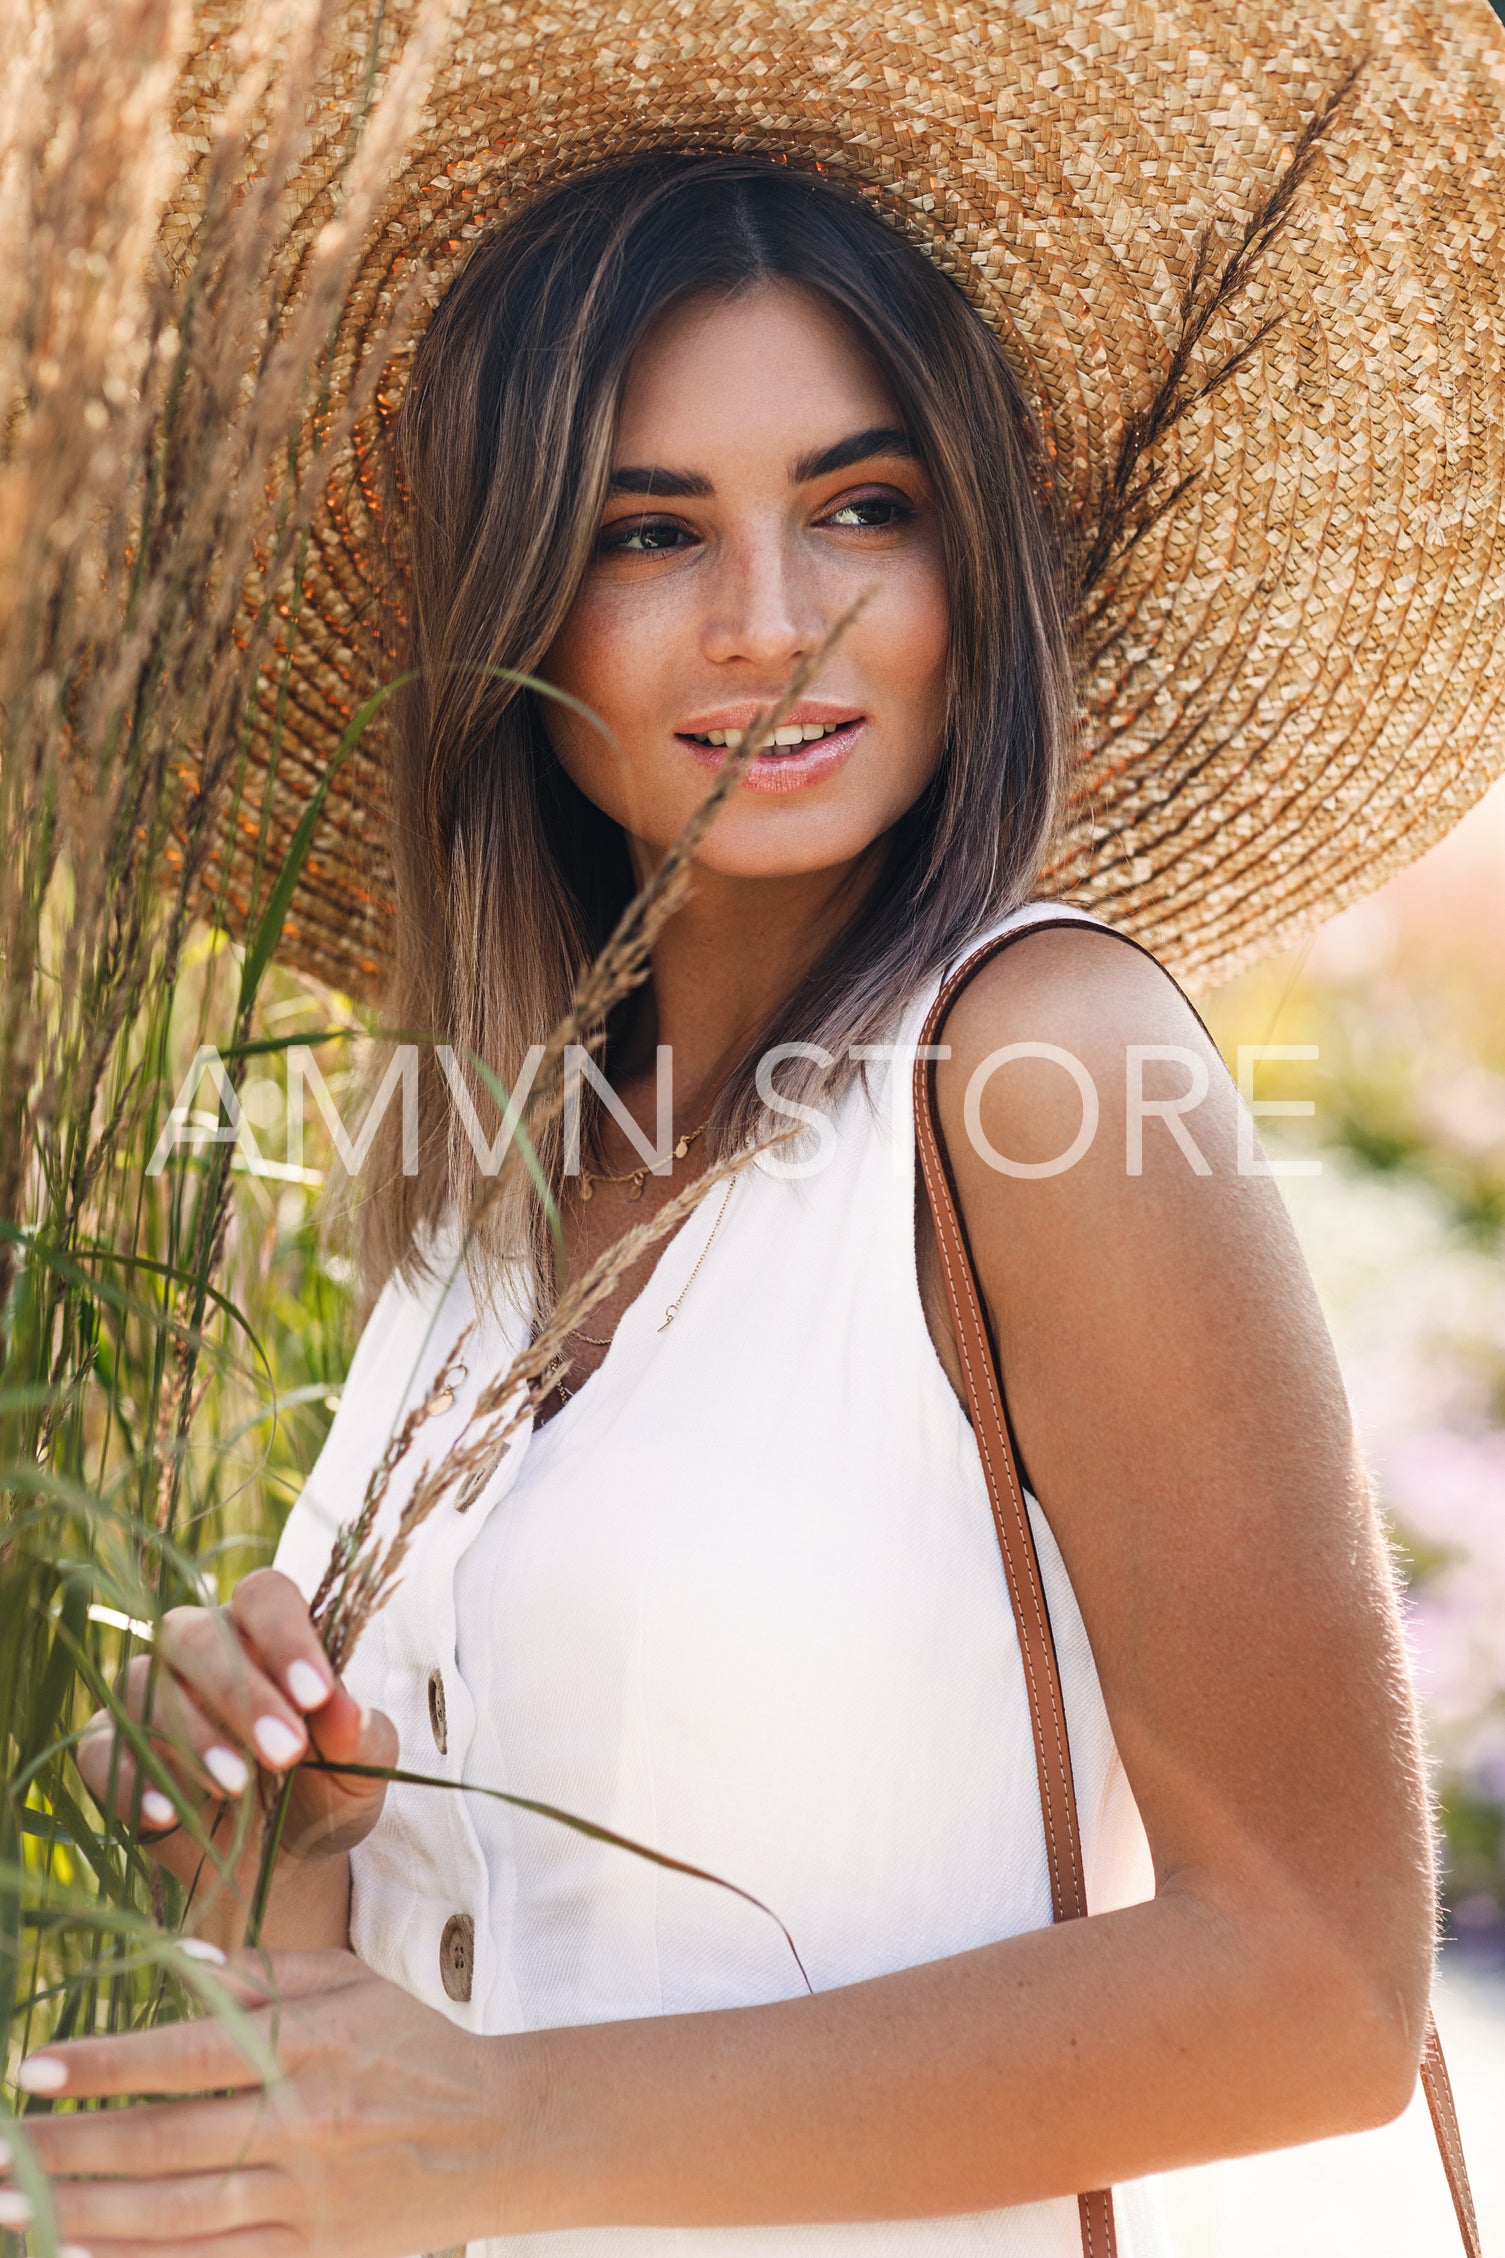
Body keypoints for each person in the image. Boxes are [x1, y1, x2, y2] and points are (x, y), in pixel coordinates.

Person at [17, 4, 1505, 2249]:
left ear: (969, 559)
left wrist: (500, 2127)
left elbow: (1315, 1980)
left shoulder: (1046, 1066)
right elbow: (414, 2074)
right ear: (516, 605)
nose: (776, 625)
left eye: (859, 507)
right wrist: (284, 1856)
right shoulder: (486, 1180)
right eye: (650, 530)